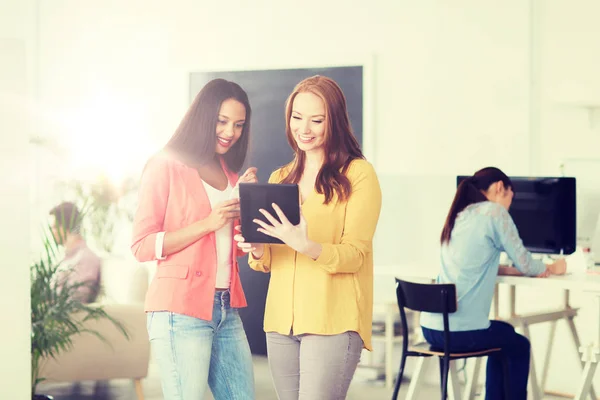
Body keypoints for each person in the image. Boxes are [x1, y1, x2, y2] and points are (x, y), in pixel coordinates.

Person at [234, 75, 382, 400]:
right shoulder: (280, 178)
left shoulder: (358, 175)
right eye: (297, 117)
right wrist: (257, 248)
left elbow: (355, 254)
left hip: (332, 320)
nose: (305, 128)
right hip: (279, 322)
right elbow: (268, 261)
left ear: (336, 121)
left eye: (317, 120)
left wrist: (306, 244)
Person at [131, 78, 258, 400]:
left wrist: (247, 200)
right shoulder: (165, 165)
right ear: (203, 117)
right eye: (222, 121)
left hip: (225, 307)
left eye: (239, 124)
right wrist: (207, 224)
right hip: (179, 311)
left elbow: (228, 249)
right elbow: (142, 245)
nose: (231, 132)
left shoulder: (229, 172)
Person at [419, 167, 567, 400]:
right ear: (500, 188)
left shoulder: (459, 214)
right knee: (517, 344)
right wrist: (551, 267)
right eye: (510, 198)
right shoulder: (494, 213)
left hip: (431, 329)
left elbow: (474, 263)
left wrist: (510, 270)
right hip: (460, 333)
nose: (509, 207)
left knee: (504, 337)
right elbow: (527, 264)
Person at [49, 201, 102, 303]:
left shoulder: (85, 259)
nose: (51, 231)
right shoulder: (67, 258)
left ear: (65, 227)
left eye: (54, 227)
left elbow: (75, 301)